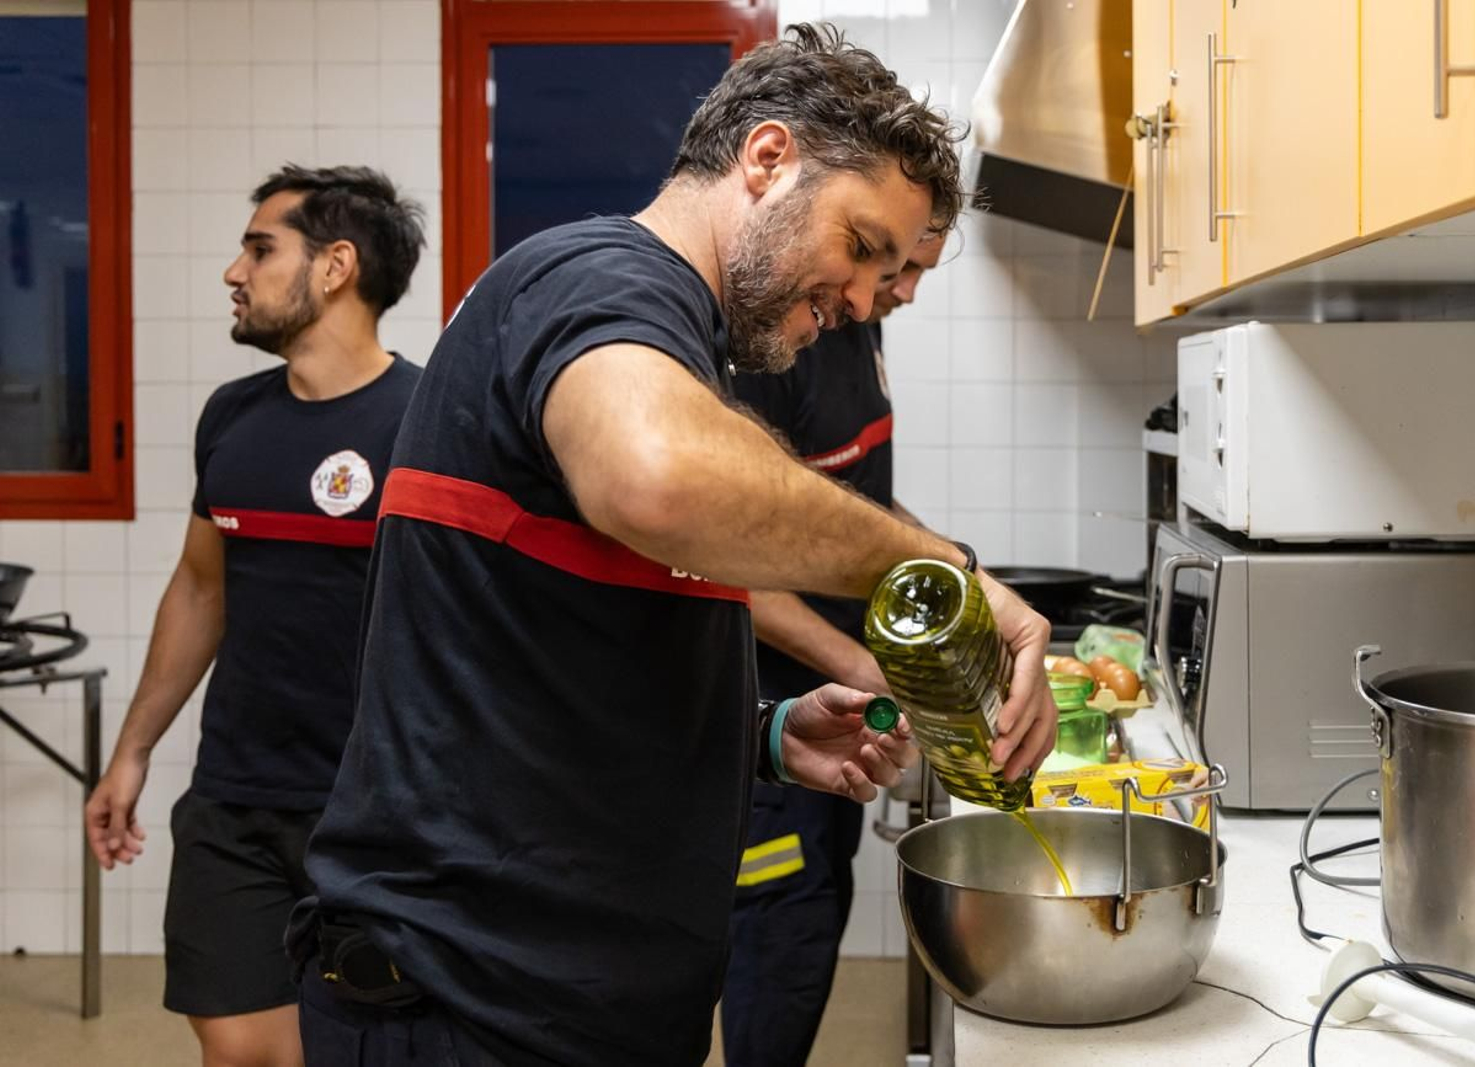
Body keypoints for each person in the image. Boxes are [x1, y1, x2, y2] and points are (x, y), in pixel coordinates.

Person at [291, 25, 1055, 1066]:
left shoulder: (690, 345)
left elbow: (567, 641)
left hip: (572, 1002)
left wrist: (757, 731)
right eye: (864, 246)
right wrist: (946, 576)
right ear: (768, 158)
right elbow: (655, 479)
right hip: (473, 1005)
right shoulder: (596, 277)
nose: (869, 297)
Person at [83, 165, 426, 1067]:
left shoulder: (429, 423)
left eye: (260, 247)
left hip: (372, 810)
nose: (235, 272)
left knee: (350, 1047)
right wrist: (132, 752)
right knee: (237, 1046)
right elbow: (201, 588)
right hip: (234, 796)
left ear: (335, 266)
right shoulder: (231, 418)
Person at [720, 229, 946, 1067]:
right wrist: (859, 664)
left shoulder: (858, 324)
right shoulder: (770, 355)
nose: (906, 290)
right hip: (775, 723)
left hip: (845, 708)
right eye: (903, 267)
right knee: (782, 933)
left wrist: (958, 570)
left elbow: (856, 508)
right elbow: (730, 571)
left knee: (817, 915)